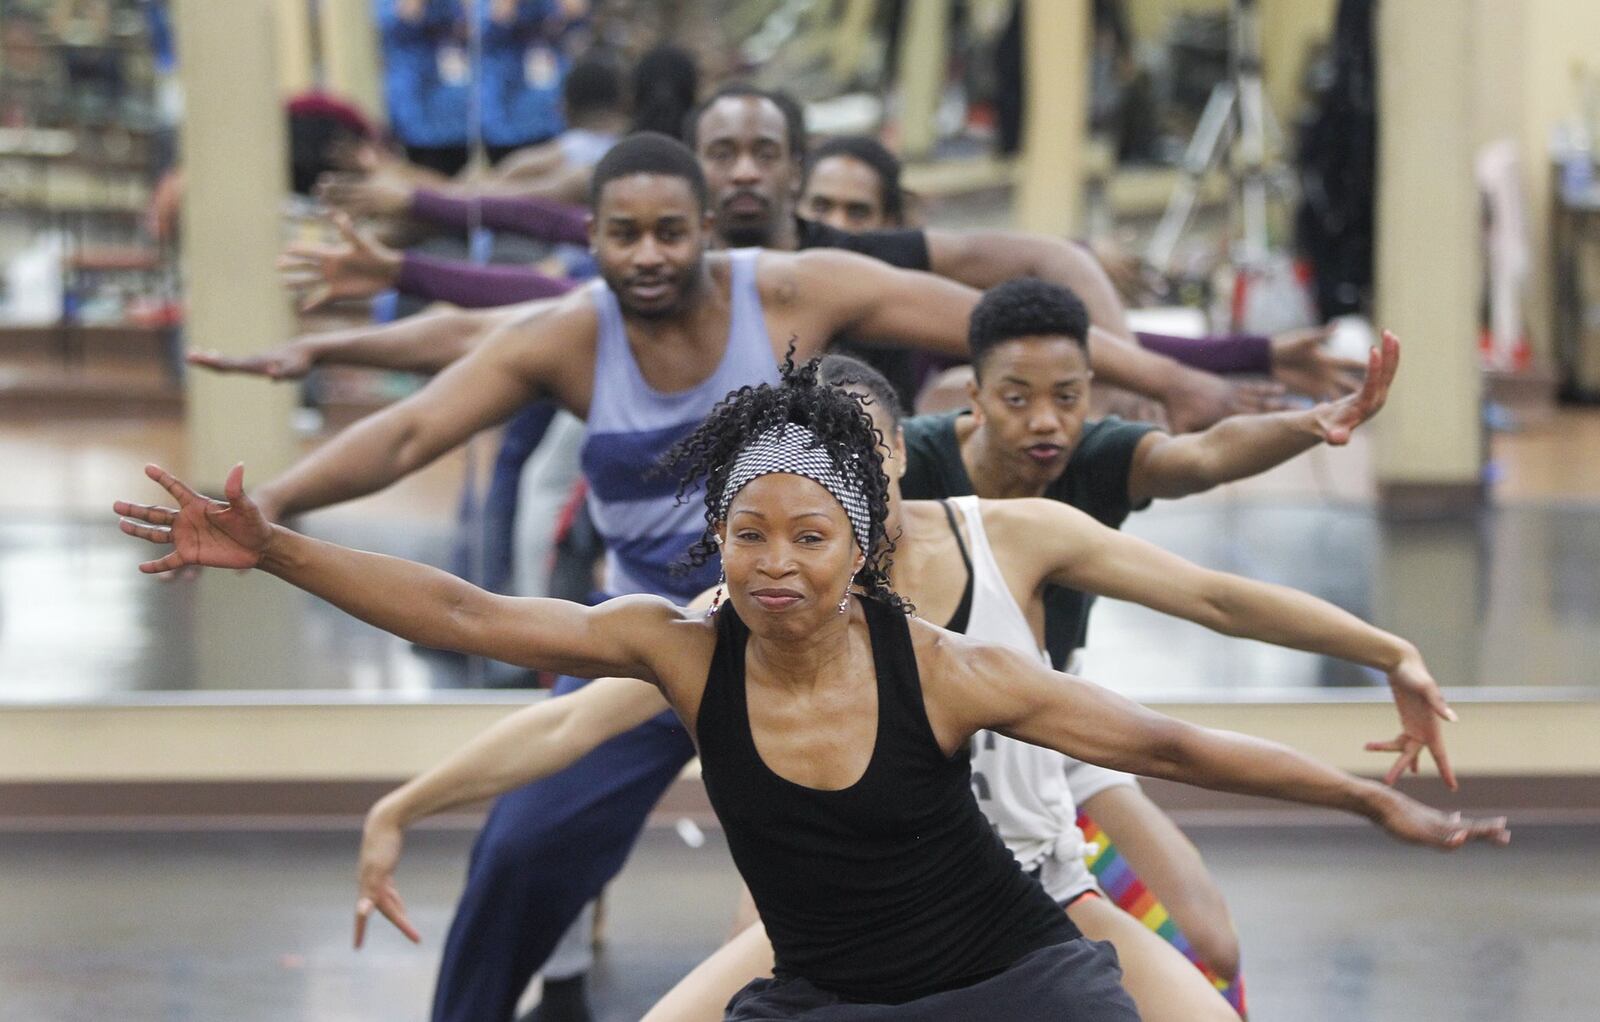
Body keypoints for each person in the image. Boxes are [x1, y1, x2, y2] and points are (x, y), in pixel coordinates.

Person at [113, 359, 1508, 1020]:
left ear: (867, 534)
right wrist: (279, 548)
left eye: (811, 535)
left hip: (1012, 972)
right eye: (747, 534)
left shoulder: (949, 663)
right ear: (716, 536)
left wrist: (1361, 797)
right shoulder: (687, 641)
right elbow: (475, 610)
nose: (775, 565)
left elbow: (1165, 736)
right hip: (824, 984)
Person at [219, 131, 993, 1022]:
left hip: (798, 629)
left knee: (822, 887)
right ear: (591, 236)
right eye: (625, 233)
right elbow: (416, 431)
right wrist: (268, 508)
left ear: (706, 228)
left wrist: (1152, 371)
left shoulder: (788, 293)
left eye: (670, 230)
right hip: (653, 634)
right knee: (521, 850)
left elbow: (1000, 320)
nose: (650, 252)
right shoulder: (575, 334)